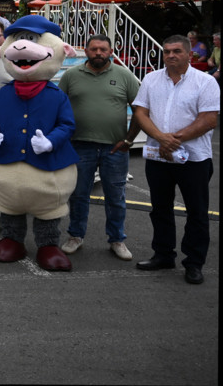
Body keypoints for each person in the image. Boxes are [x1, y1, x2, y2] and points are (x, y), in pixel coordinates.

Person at [132, 35, 219, 285]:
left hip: (194, 159)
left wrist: (172, 140)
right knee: (160, 209)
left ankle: (194, 262)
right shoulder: (151, 79)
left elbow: (208, 119)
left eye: (177, 51)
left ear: (189, 54)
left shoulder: (206, 82)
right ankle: (163, 254)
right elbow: (141, 112)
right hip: (158, 157)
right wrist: (161, 139)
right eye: (167, 51)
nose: (171, 55)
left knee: (197, 212)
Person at [58, 34, 141, 260]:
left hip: (115, 148)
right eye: (94, 49)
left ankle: (117, 239)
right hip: (79, 145)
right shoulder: (71, 75)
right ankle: (75, 236)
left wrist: (129, 140)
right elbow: (58, 106)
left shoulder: (124, 75)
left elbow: (140, 110)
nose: (98, 53)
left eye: (103, 49)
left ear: (111, 52)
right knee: (78, 195)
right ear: (86, 51)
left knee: (115, 196)